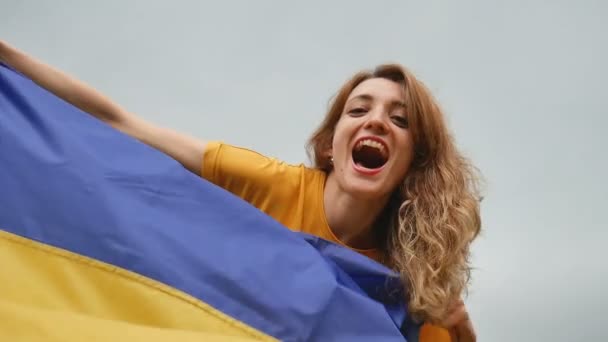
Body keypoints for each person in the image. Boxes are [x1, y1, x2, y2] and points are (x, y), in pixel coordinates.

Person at [0, 40, 481, 342]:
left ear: (413, 164)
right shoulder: (275, 183)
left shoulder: (414, 284)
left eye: (400, 120)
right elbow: (119, 122)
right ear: (329, 145)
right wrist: (7, 56)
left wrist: (463, 332)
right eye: (359, 111)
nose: (377, 120)